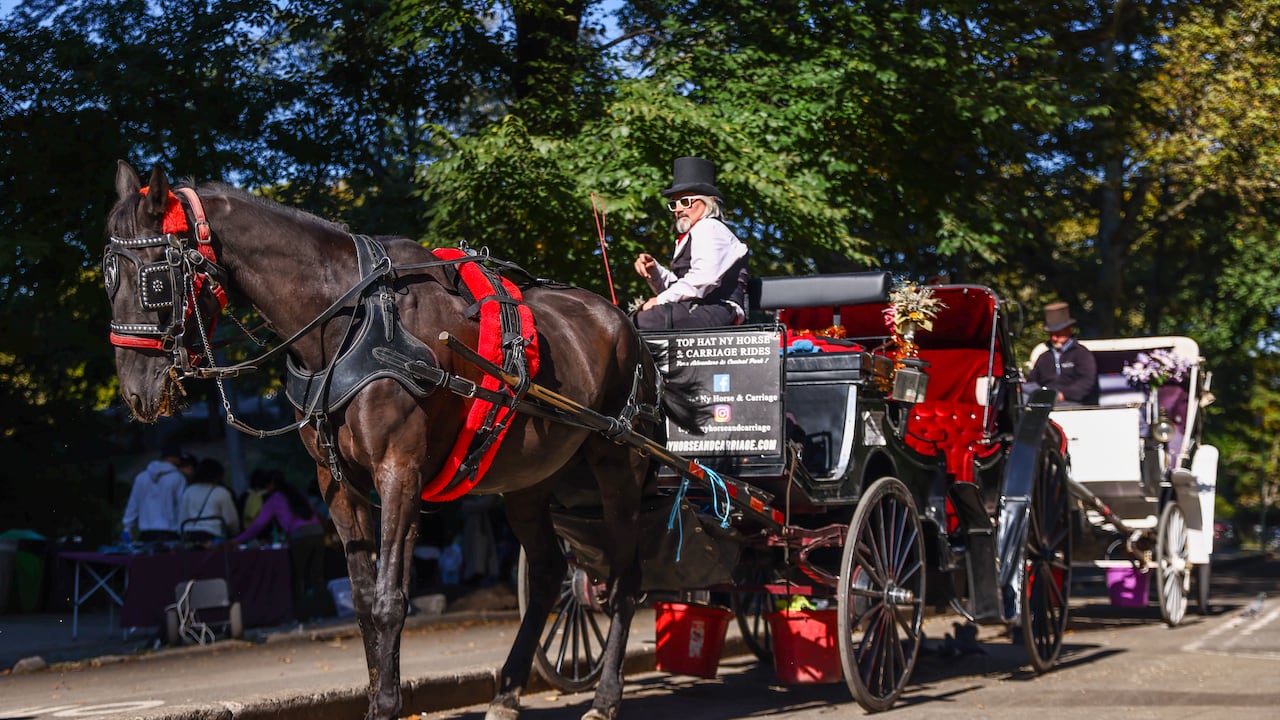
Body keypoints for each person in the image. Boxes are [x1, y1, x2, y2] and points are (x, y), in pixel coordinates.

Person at [632, 156, 750, 330]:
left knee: (637, 322)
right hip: (697, 308)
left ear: (708, 202)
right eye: (674, 204)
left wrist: (659, 301)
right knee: (634, 321)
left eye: (685, 202)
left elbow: (703, 280)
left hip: (719, 311)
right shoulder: (692, 235)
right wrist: (654, 271)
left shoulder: (710, 227)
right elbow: (680, 287)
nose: (679, 209)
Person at [231, 469, 332, 620]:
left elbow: (257, 525)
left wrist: (236, 540)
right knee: (317, 575)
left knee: (298, 577)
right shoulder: (297, 494)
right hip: (317, 534)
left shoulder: (274, 499)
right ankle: (325, 613)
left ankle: (302, 615)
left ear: (269, 485)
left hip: (299, 537)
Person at [1027, 301, 1099, 406]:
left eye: (1058, 333)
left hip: (1073, 404)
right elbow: (1032, 382)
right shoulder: (1044, 357)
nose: (1054, 338)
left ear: (1068, 330)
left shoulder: (1081, 354)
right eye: (1051, 334)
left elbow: (1086, 383)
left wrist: (1063, 395)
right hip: (1044, 403)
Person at [122, 442, 194, 543]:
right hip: (169, 534)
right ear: (174, 458)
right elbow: (182, 506)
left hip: (145, 534)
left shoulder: (141, 477)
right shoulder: (178, 478)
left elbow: (133, 505)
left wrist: (127, 528)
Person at [179, 458, 241, 546]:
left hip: (190, 537)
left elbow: (182, 519)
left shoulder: (189, 491)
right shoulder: (221, 492)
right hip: (213, 538)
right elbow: (231, 521)